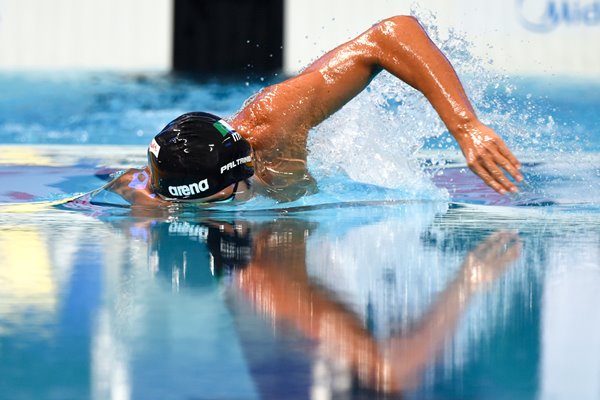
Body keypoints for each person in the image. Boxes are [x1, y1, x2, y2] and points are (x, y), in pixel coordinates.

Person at [107, 15, 523, 206]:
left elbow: (392, 34)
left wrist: (466, 127)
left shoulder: (273, 121)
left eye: (218, 201)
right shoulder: (157, 192)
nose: (209, 215)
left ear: (243, 170)